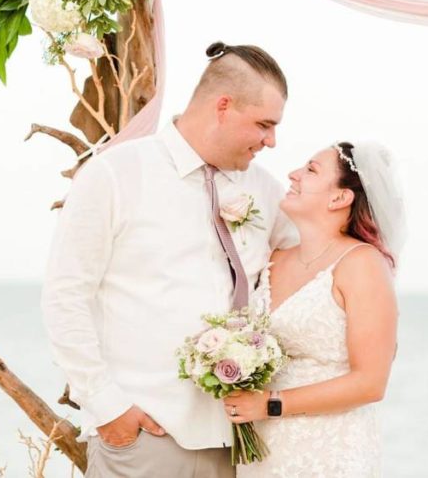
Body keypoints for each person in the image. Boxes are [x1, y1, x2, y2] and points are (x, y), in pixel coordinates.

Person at [42, 41, 299, 478]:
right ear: (223, 106)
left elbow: (316, 262)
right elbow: (65, 295)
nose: (271, 141)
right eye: (263, 124)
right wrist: (107, 407)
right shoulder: (115, 174)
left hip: (239, 446)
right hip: (145, 438)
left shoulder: (266, 189)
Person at [224, 141, 405, 477]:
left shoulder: (362, 264)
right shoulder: (275, 258)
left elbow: (370, 383)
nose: (293, 174)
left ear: (339, 198)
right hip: (264, 449)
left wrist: (270, 404)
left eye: (310, 170)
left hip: (330, 449)